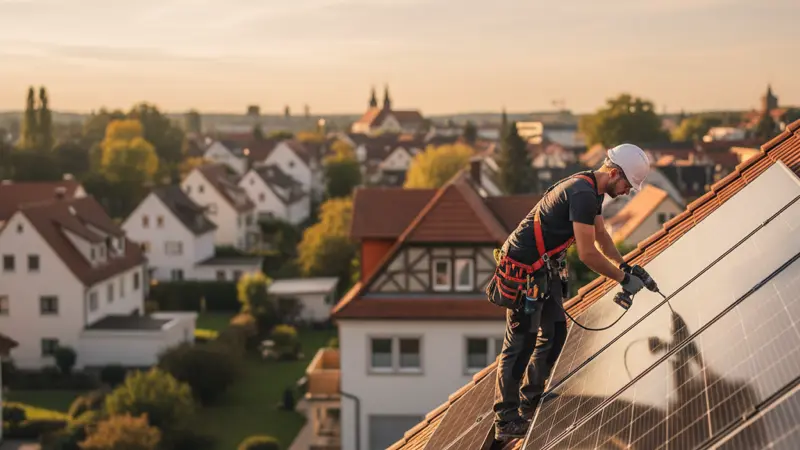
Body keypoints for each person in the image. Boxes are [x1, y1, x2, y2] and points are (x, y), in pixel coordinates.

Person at [490, 143, 656, 440]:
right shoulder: (582, 194)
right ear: (614, 173)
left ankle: (531, 400)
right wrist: (621, 279)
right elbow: (588, 254)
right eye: (627, 185)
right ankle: (506, 419)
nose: (627, 192)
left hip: (544, 270)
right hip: (523, 273)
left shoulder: (592, 191)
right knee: (521, 343)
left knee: (555, 334)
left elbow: (601, 236)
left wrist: (624, 265)